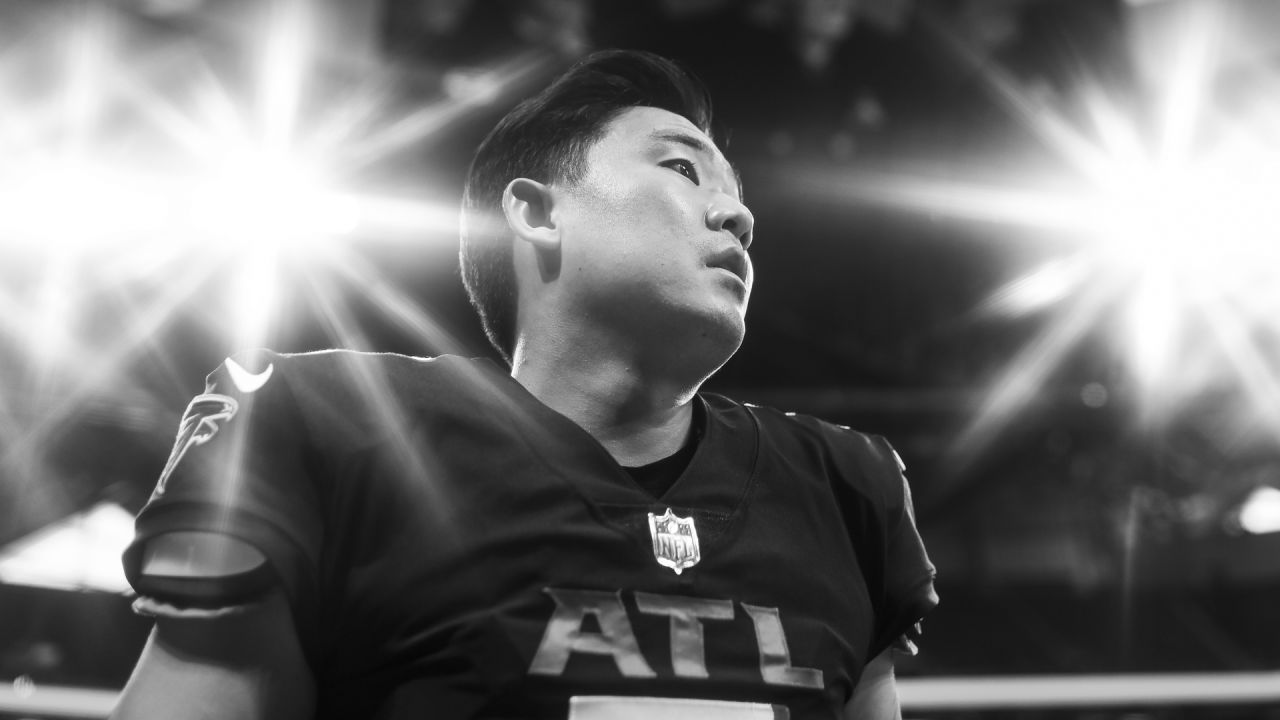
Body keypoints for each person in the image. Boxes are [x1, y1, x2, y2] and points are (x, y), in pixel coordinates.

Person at [112, 49, 938, 720]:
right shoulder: (333, 432)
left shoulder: (844, 490)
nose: (738, 217)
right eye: (686, 171)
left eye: (738, 198)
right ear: (538, 213)